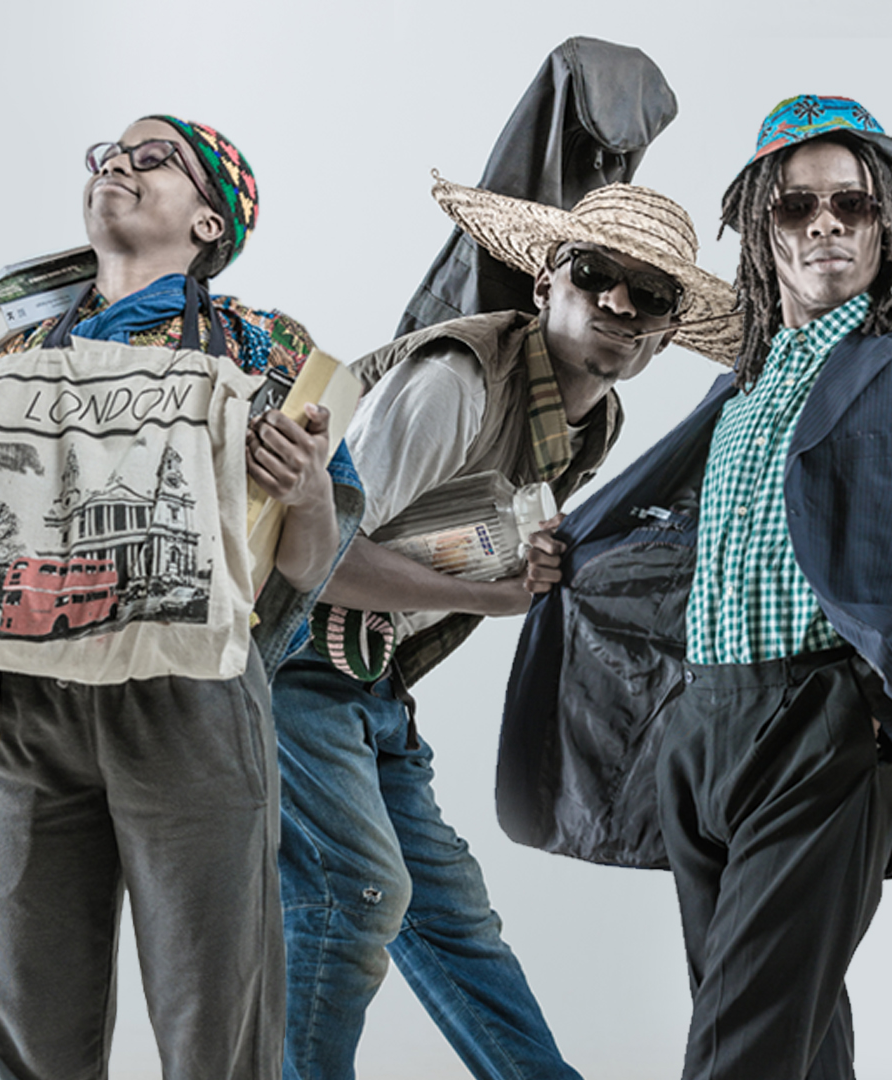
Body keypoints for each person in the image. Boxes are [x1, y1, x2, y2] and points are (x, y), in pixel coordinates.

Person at [497, 95, 892, 1080]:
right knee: (789, 1040)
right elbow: (681, 544)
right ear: (762, 228)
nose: (824, 225)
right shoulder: (738, 389)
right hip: (696, 731)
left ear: (888, 222)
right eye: (796, 206)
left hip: (827, 728)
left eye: (852, 204)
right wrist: (573, 559)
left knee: (739, 1047)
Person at [0, 116, 358, 1079]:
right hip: (24, 700)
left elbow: (306, 566)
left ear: (210, 221)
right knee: (31, 1016)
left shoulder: (266, 348)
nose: (119, 163)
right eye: (109, 154)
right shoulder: (10, 344)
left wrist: (311, 491)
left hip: (188, 700)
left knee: (214, 1020)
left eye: (154, 158)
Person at [273, 175, 737, 1080]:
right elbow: (313, 553)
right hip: (292, 665)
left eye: (649, 294)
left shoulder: (594, 422)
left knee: (452, 920)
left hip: (371, 683)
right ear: (544, 281)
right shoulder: (455, 383)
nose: (617, 303)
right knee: (355, 895)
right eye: (594, 273)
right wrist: (499, 596)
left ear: (666, 329)